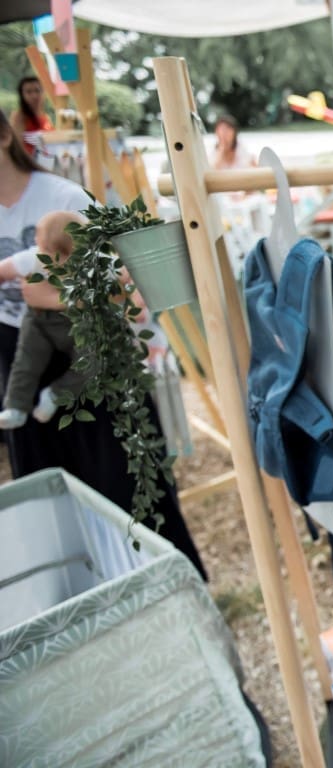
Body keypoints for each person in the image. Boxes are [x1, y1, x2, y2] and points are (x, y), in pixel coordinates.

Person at [0, 108, 207, 580]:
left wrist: (49, 296)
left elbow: (121, 282)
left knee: (127, 484)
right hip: (19, 355)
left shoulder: (62, 198)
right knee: (48, 498)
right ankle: (81, 594)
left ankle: (166, 583)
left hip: (91, 353)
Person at [0, 210, 90, 428]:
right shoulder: (33, 257)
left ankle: (56, 394)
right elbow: (4, 270)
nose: (56, 261)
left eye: (65, 255)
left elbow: (118, 275)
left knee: (92, 362)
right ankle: (16, 407)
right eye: (48, 252)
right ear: (39, 244)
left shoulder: (90, 261)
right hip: (39, 320)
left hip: (78, 322)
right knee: (26, 361)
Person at [12, 76, 52, 158]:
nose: (34, 96)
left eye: (37, 90)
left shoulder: (45, 117)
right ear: (22, 95)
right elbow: (17, 147)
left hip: (47, 161)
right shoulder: (19, 116)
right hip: (29, 162)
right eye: (29, 92)